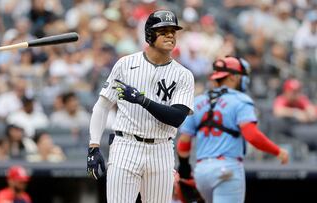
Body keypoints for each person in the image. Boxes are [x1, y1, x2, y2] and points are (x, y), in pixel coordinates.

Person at [87, 10, 195, 203]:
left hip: (161, 148)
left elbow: (177, 117)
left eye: (173, 31)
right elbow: (102, 106)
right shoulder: (125, 64)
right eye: (163, 31)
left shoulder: (183, 74)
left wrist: (141, 100)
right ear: (149, 35)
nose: (170, 35)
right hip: (126, 145)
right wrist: (94, 146)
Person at [176, 56, 289, 203]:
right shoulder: (240, 100)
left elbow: (184, 142)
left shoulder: (198, 101)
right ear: (233, 77)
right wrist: (277, 151)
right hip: (227, 169)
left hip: (202, 171)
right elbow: (252, 135)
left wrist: (184, 171)